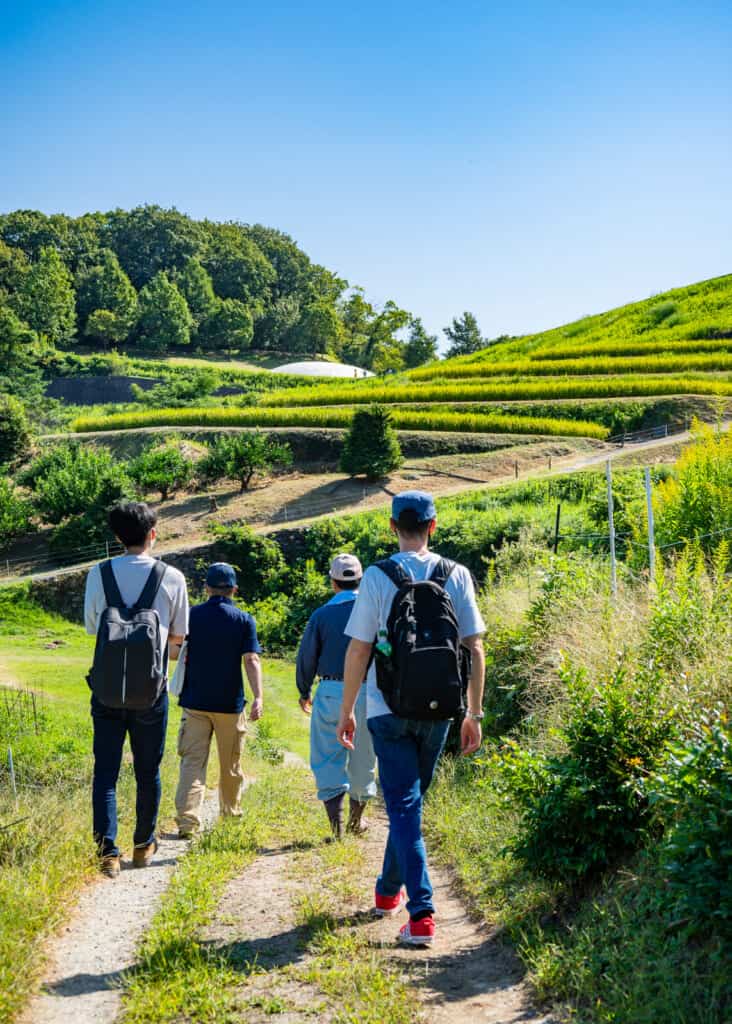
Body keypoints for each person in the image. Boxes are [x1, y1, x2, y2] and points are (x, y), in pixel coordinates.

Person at [336, 490, 485, 946]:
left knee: (403, 806)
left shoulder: (378, 577)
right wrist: (473, 714)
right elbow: (474, 647)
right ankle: (386, 892)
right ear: (434, 526)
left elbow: (359, 648)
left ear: (392, 527)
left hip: (387, 708)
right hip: (442, 709)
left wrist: (346, 710)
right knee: (408, 804)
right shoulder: (456, 574)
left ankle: (420, 913)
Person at [84, 501, 189, 878]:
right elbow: (179, 636)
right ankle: (143, 845)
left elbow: (90, 627)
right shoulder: (172, 577)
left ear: (116, 537)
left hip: (107, 690)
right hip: (151, 692)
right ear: (153, 533)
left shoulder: (99, 574)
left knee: (106, 773)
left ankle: (107, 852)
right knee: (148, 771)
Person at [174, 562, 263, 837]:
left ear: (207, 588)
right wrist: (258, 696)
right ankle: (230, 816)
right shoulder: (243, 619)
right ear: (234, 589)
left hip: (195, 702)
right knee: (231, 765)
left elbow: (176, 651)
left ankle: (188, 822)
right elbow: (251, 659)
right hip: (229, 704)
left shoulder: (192, 616)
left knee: (192, 762)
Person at [296, 554, 377, 838]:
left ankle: (337, 827)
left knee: (327, 757)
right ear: (361, 580)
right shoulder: (373, 611)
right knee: (364, 757)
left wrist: (304, 690)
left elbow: (306, 657)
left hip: (330, 690)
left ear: (333, 582)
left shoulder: (320, 616)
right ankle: (357, 821)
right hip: (368, 691)